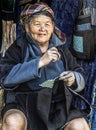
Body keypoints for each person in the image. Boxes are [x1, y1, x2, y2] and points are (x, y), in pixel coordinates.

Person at [0, 2, 90, 130]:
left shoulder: (62, 49)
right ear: (26, 27)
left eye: (47, 24)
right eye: (37, 24)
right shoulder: (18, 48)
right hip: (24, 104)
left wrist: (74, 78)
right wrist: (40, 62)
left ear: (53, 27)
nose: (43, 29)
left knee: (79, 125)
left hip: (57, 107)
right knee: (12, 121)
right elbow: (5, 78)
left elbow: (79, 73)